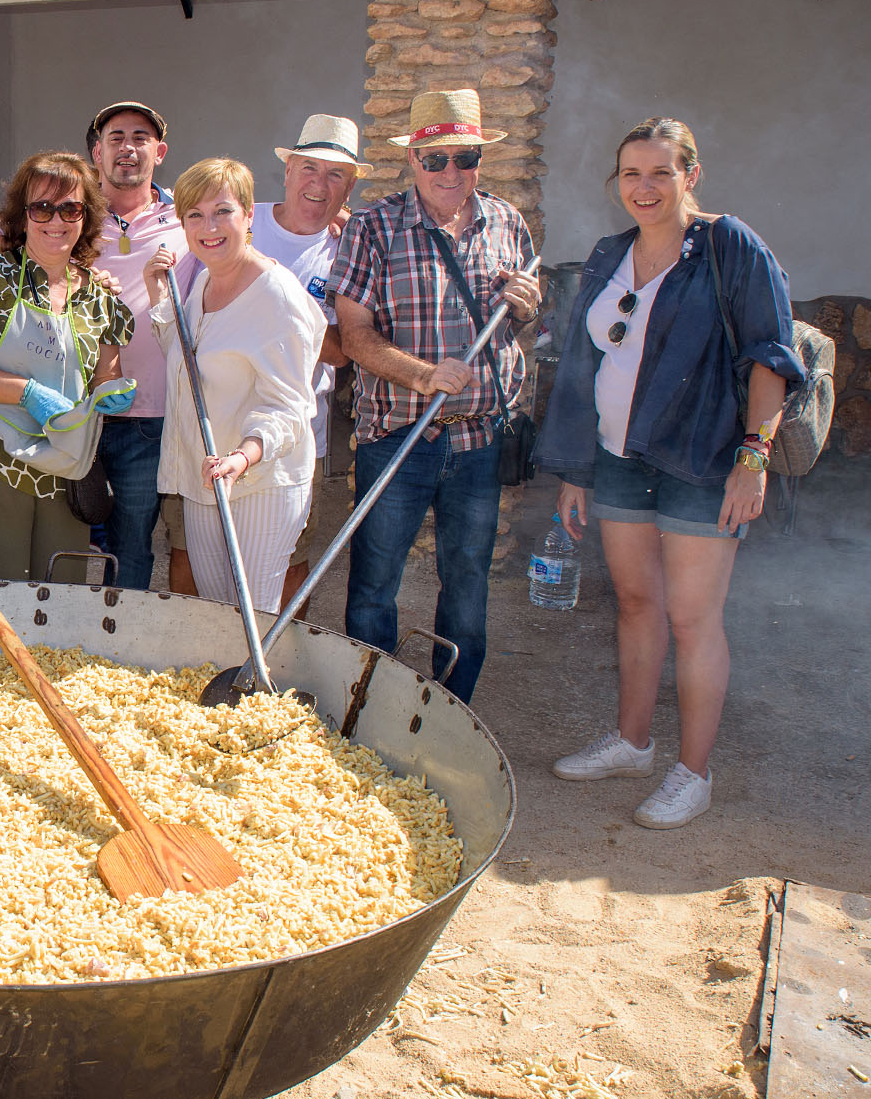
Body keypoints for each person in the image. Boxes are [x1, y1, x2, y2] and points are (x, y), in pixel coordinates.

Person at [535, 118, 803, 829]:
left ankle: (694, 772)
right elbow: (583, 366)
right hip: (620, 460)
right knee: (634, 603)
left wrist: (754, 457)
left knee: (692, 616)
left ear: (691, 174)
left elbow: (770, 356)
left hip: (705, 460)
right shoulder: (609, 254)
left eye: (660, 172)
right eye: (631, 174)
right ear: (616, 183)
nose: (644, 187)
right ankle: (631, 741)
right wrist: (577, 470)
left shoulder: (729, 245)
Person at [324, 90, 542, 704]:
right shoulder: (374, 226)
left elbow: (515, 322)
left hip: (477, 442)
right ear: (413, 159)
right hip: (397, 435)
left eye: (465, 157)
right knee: (373, 584)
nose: (452, 172)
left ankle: (450, 712)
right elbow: (354, 337)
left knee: (468, 585)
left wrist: (524, 310)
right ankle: (369, 710)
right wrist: (423, 376)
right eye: (436, 158)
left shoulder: (507, 222)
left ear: (480, 160)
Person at [172, 113, 369, 611]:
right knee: (204, 585)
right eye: (309, 168)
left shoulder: (344, 248)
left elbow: (340, 352)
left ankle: (272, 676)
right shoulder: (212, 250)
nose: (319, 185)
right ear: (287, 170)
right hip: (207, 453)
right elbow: (185, 338)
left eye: (335, 175)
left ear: (349, 187)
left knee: (270, 590)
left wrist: (289, 316)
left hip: (272, 451)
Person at [0, 151, 134, 581]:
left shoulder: (101, 298)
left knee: (58, 601)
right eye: (42, 207)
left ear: (86, 216)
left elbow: (106, 377)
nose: (55, 220)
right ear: (23, 215)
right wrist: (27, 392)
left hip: (65, 469)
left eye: (70, 208)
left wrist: (111, 394)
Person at [148, 159, 324, 606]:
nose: (209, 226)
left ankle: (259, 679)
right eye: (195, 215)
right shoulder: (206, 279)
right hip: (207, 473)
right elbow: (189, 361)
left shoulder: (276, 295)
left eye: (222, 211)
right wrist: (160, 298)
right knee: (216, 612)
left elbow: (290, 406)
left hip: (261, 478)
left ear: (248, 215)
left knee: (253, 614)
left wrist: (243, 458)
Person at [84, 102, 186, 590]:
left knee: (130, 546)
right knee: (61, 538)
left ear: (159, 151)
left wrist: (334, 220)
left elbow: (253, 224)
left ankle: (117, 650)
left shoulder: (187, 216)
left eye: (141, 137)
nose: (128, 147)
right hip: (74, 409)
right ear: (96, 152)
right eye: (117, 137)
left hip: (150, 414)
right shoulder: (66, 213)